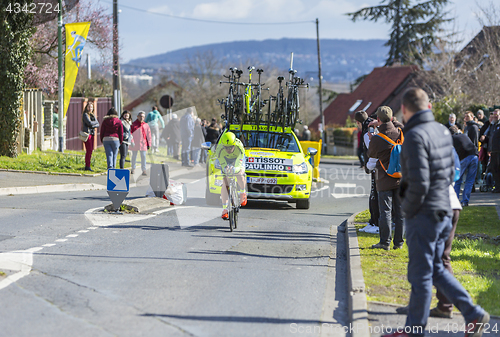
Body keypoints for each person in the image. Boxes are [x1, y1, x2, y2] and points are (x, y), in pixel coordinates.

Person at [382, 87, 489, 337]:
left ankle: (414, 330)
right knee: (435, 269)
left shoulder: (414, 135)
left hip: (425, 211)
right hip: (445, 207)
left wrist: (407, 210)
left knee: (420, 273)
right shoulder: (443, 131)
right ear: (429, 107)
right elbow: (453, 168)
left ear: (405, 111)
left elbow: (417, 181)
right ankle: (473, 314)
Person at [366, 106, 404, 250]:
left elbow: (371, 155)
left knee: (385, 212)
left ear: (378, 119)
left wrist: (371, 139)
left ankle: (384, 242)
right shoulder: (399, 132)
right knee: (400, 212)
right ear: (392, 118)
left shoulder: (377, 139)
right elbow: (401, 125)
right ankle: (399, 243)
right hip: (401, 177)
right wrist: (387, 122)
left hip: (384, 179)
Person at [354, 110, 379, 230]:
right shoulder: (372, 126)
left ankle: (375, 223)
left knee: (374, 196)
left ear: (358, 122)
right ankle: (373, 222)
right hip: (379, 167)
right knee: (374, 196)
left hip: (376, 168)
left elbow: (373, 152)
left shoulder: (366, 133)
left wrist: (369, 166)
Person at [215, 132, 247, 220]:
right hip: (225, 160)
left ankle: (242, 192)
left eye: (230, 147)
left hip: (237, 159)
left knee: (239, 173)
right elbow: (222, 163)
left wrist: (234, 169)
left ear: (234, 144)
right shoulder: (220, 150)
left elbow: (239, 164)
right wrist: (226, 169)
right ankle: (225, 209)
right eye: (226, 147)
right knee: (225, 183)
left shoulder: (239, 146)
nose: (228, 149)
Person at [450, 126, 478, 207]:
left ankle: (455, 200)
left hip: (464, 158)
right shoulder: (464, 136)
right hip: (474, 155)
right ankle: (465, 201)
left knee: (458, 180)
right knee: (469, 181)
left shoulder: (452, 138)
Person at [130, 111, 151, 176]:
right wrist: (132, 141)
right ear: (137, 117)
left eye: (143, 117)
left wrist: (149, 144)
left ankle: (144, 170)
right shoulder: (133, 124)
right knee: (134, 156)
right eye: (140, 116)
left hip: (143, 144)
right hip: (135, 144)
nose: (141, 118)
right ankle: (133, 168)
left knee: (143, 157)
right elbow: (130, 134)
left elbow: (149, 135)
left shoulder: (146, 125)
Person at [81, 101, 99, 171]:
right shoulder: (85, 115)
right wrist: (93, 124)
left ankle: (88, 164)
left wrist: (93, 124)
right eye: (89, 107)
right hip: (87, 134)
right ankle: (87, 165)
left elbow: (98, 123)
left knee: (91, 150)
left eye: (91, 107)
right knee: (89, 150)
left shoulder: (93, 115)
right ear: (86, 107)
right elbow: (89, 123)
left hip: (92, 133)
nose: (90, 108)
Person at [489, 110, 500, 192]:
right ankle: (497, 186)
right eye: (494, 115)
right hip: (493, 151)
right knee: (494, 168)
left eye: (497, 115)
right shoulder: (492, 125)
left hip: (499, 150)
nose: (495, 116)